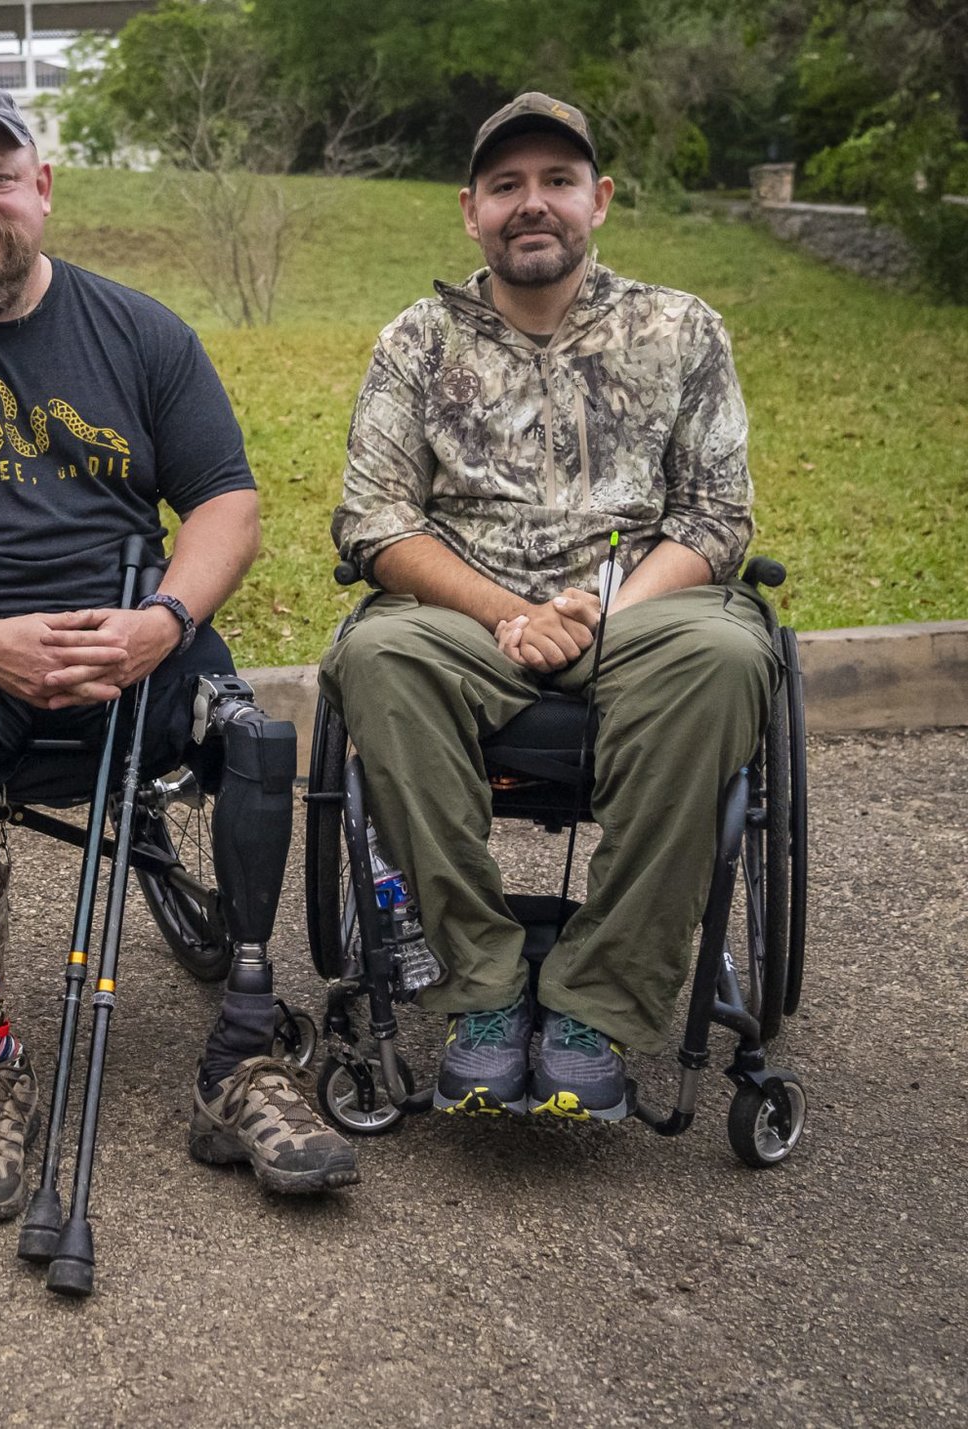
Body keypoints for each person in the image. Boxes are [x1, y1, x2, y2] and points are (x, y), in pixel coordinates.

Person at [0, 84, 358, 1224]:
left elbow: (226, 503)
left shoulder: (140, 332)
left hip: (127, 643)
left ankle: (243, 1047)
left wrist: (163, 624)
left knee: (256, 738)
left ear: (40, 188)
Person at [321, 93, 777, 1121]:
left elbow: (714, 514)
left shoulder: (676, 328)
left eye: (556, 182)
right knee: (375, 660)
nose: (533, 205)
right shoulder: (417, 339)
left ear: (597, 200)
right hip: (461, 612)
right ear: (469, 210)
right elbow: (373, 521)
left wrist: (598, 612)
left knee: (722, 659)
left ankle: (597, 998)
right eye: (505, 185)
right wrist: (504, 614)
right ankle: (479, 983)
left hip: (639, 608)